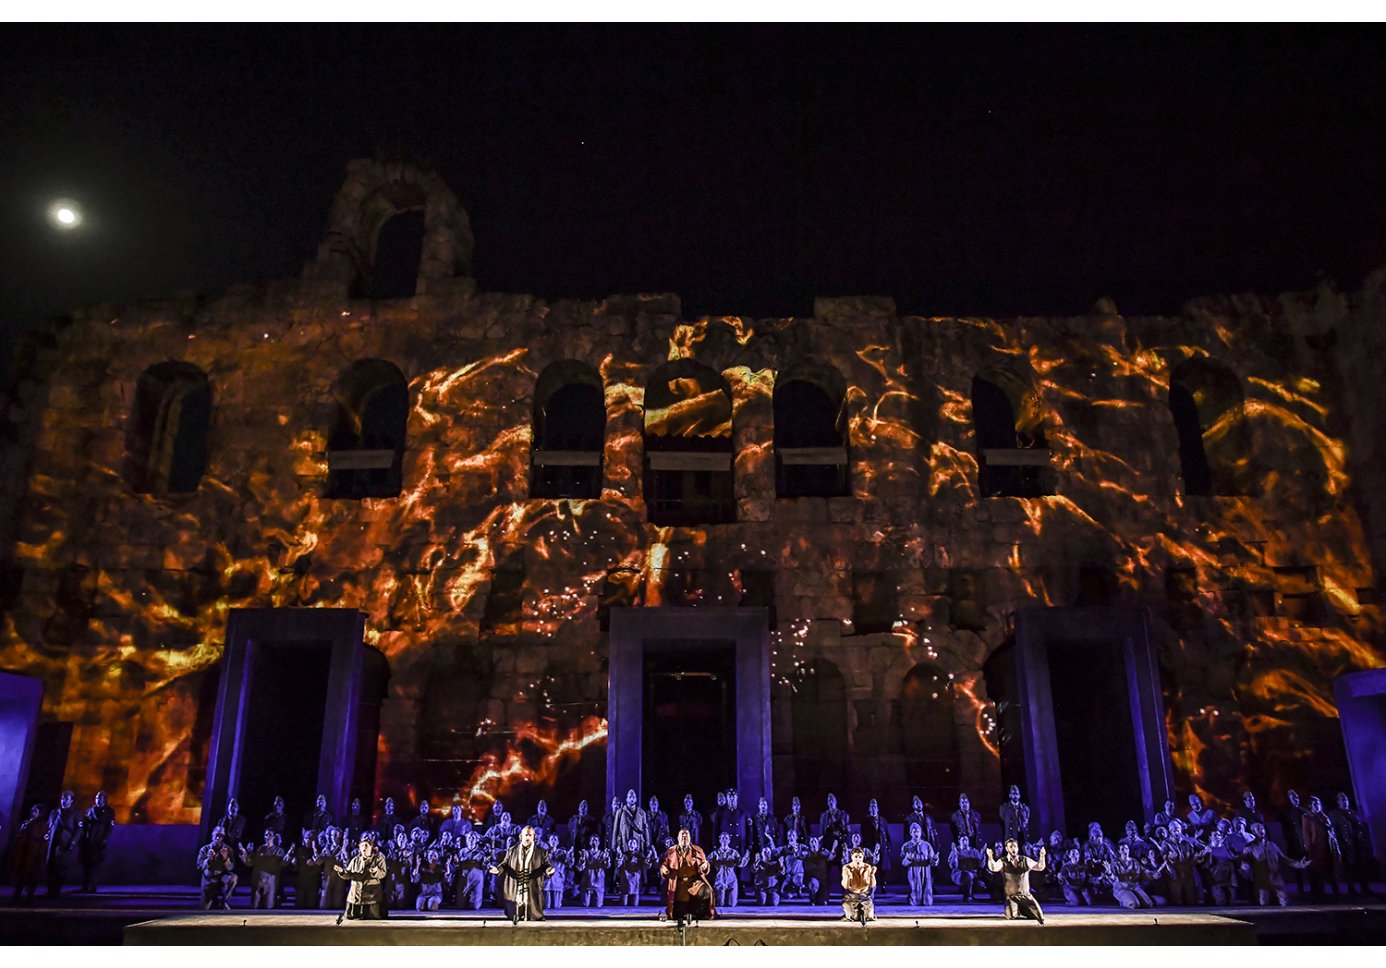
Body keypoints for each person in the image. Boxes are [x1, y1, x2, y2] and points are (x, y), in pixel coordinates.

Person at [490, 825, 554, 922]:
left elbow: (546, 865)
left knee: (533, 909)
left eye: (530, 835)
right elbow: (505, 864)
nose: (527, 837)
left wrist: (549, 870)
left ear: (534, 837)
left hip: (532, 883)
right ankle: (516, 915)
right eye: (525, 835)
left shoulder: (541, 851)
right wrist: (498, 870)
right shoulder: (512, 850)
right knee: (513, 910)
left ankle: (532, 916)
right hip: (516, 883)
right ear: (520, 836)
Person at [1244, 822, 1308, 907]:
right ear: (1253, 832)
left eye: (1262, 828)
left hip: (1276, 878)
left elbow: (1285, 860)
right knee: (1263, 903)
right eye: (1258, 829)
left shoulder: (1272, 845)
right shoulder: (1250, 848)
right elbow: (1243, 861)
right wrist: (1244, 867)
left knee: (1284, 901)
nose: (1261, 830)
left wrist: (1301, 864)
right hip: (1261, 880)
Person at [659, 828, 715, 921]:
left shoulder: (697, 850)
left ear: (690, 838)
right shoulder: (671, 851)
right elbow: (664, 865)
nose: (684, 838)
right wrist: (664, 869)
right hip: (678, 885)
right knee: (679, 912)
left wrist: (705, 866)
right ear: (678, 838)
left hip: (693, 883)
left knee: (706, 891)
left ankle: (699, 914)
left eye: (686, 836)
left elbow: (704, 864)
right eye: (682, 836)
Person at [987, 838, 1046, 924]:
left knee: (1039, 916)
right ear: (1007, 849)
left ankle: (1022, 909)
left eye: (1015, 846)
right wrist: (990, 857)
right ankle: (1016, 909)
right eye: (1011, 847)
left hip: (1026, 896)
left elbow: (1040, 867)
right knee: (1011, 916)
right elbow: (993, 868)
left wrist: (1042, 856)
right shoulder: (1003, 861)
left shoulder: (1025, 860)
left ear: (1018, 848)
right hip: (1012, 897)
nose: (1013, 848)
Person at [335, 836, 388, 921]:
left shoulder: (379, 860)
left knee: (371, 915)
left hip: (371, 893)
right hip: (356, 892)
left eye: (366, 845)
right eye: (362, 846)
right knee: (353, 914)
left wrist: (375, 871)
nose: (364, 847)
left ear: (371, 848)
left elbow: (383, 873)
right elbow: (349, 874)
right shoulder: (355, 860)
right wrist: (342, 871)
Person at [1328, 792, 1372, 896]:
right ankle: (1351, 890)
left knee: (1361, 867)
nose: (1345, 802)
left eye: (1346, 800)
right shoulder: (1335, 814)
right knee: (1349, 869)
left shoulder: (1352, 813)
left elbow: (1359, 826)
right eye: (1342, 800)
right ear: (1338, 802)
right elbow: (1334, 830)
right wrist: (1341, 844)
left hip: (1357, 844)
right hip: (1346, 846)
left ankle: (1364, 888)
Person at [1302, 795, 1342, 900]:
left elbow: (1332, 832)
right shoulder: (1307, 817)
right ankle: (1320, 895)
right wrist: (1309, 848)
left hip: (1328, 848)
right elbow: (1306, 834)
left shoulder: (1325, 817)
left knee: (1331, 872)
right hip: (1317, 849)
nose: (1317, 806)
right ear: (1311, 806)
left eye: (1318, 804)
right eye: (1315, 804)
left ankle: (1336, 894)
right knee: (1318, 872)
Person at [77, 790, 115, 892]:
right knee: (86, 865)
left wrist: (104, 839)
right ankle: (85, 886)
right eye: (97, 798)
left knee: (95, 865)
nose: (98, 800)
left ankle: (93, 886)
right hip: (88, 841)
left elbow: (109, 827)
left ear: (105, 799)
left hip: (99, 842)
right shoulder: (90, 810)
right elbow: (85, 825)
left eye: (101, 798)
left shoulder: (109, 812)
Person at [240, 829, 287, 909]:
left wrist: (289, 856)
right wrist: (245, 854)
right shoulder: (260, 849)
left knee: (268, 907)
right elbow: (250, 863)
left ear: (274, 837)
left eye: (270, 835)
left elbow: (283, 863)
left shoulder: (279, 850)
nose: (268, 837)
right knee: (255, 906)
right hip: (258, 881)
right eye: (266, 835)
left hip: (270, 882)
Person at [10, 805, 47, 905]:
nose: (33, 812)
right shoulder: (27, 822)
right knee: (21, 874)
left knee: (31, 875)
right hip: (24, 852)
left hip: (34, 852)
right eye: (33, 810)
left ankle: (29, 896)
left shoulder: (42, 824)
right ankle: (17, 894)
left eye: (36, 811)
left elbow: (40, 837)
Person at [46, 790, 78, 897]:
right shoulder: (55, 812)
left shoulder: (75, 813)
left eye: (66, 799)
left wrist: (73, 841)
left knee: (60, 866)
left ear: (71, 801)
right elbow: (49, 826)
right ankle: (50, 890)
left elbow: (79, 829)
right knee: (50, 865)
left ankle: (56, 890)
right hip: (52, 841)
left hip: (64, 842)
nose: (63, 801)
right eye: (62, 798)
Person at [197, 827, 238, 910]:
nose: (218, 838)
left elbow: (231, 868)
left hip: (222, 877)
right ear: (212, 836)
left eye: (220, 836)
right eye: (216, 836)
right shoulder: (204, 849)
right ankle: (210, 900)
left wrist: (225, 859)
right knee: (204, 909)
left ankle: (224, 901)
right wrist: (208, 860)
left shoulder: (228, 849)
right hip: (209, 879)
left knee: (234, 878)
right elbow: (199, 866)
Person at [900, 822, 938, 906]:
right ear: (911, 833)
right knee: (914, 890)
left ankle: (926, 900)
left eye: (918, 831)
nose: (916, 833)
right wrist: (908, 858)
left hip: (925, 871)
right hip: (913, 871)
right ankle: (913, 899)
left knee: (927, 896)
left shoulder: (927, 845)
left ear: (920, 833)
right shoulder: (906, 846)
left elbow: (933, 861)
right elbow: (903, 862)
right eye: (914, 831)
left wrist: (934, 859)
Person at [707, 831, 748, 908]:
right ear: (719, 840)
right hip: (720, 880)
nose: (724, 840)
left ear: (729, 840)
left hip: (731, 880)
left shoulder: (734, 853)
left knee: (732, 904)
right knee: (720, 904)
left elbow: (740, 864)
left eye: (726, 838)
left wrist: (745, 858)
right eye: (722, 838)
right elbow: (707, 863)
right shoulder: (715, 853)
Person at [1107, 842, 1154, 909]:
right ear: (1119, 851)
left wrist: (1144, 866)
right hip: (1121, 888)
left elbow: (1138, 875)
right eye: (1122, 849)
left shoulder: (1134, 861)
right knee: (1134, 905)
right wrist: (1109, 872)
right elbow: (1113, 879)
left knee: (1149, 904)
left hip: (1134, 887)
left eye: (1126, 849)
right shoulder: (1115, 863)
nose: (1125, 851)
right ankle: (1123, 901)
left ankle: (1134, 897)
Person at [1281, 789, 1308, 895]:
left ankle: (1314, 889)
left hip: (1306, 842)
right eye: (1293, 798)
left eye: (1297, 797)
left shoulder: (1304, 811)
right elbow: (1286, 831)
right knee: (1297, 869)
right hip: (1295, 844)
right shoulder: (1287, 813)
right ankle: (1301, 890)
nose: (1296, 800)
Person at [840, 846, 877, 922]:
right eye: (856, 857)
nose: (858, 859)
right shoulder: (846, 867)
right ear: (852, 857)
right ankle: (851, 912)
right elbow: (845, 886)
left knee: (869, 918)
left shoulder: (867, 867)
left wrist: (872, 875)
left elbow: (872, 885)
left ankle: (865, 910)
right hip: (851, 897)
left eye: (860, 857)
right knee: (854, 917)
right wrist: (848, 876)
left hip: (864, 896)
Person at [455, 830, 489, 910]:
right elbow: (458, 866)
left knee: (475, 906)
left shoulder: (481, 852)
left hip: (476, 879)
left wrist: (485, 863)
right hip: (464, 878)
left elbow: (484, 867)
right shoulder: (462, 851)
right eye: (469, 838)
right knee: (460, 905)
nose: (471, 839)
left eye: (473, 838)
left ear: (476, 840)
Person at [290, 828, 324, 908]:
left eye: (311, 838)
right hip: (301, 881)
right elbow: (295, 868)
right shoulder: (300, 850)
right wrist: (294, 864)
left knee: (311, 904)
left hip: (313, 882)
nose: (308, 840)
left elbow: (321, 865)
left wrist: (315, 858)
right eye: (306, 838)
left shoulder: (319, 850)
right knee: (299, 904)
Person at [862, 798, 892, 884]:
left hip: (882, 846)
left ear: (877, 808)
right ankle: (872, 885)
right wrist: (866, 847)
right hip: (870, 846)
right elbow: (864, 835)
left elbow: (886, 833)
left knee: (883, 867)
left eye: (875, 806)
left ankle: (883, 883)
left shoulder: (883, 820)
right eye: (871, 806)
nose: (873, 808)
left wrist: (889, 846)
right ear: (869, 809)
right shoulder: (865, 820)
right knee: (871, 866)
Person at [578, 834, 611, 908]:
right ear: (590, 842)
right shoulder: (586, 853)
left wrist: (607, 859)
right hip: (587, 882)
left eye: (596, 840)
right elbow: (580, 868)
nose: (594, 842)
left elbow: (607, 866)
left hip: (599, 882)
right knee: (585, 905)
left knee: (598, 905)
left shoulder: (603, 854)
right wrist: (582, 859)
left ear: (599, 842)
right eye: (592, 840)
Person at [949, 833, 985, 902]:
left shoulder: (974, 851)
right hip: (959, 874)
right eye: (963, 840)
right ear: (959, 841)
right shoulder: (956, 851)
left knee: (981, 886)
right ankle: (968, 896)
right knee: (968, 875)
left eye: (966, 840)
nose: (965, 842)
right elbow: (953, 866)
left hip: (973, 874)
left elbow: (981, 865)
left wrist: (982, 857)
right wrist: (955, 855)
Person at [618, 836, 650, 906]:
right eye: (630, 843)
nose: (632, 844)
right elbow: (618, 864)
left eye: (634, 843)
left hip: (636, 882)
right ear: (627, 844)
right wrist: (619, 857)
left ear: (636, 845)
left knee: (634, 905)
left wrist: (648, 858)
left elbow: (646, 865)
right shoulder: (624, 855)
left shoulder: (640, 855)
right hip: (625, 882)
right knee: (624, 905)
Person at [803, 835, 833, 905]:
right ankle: (812, 898)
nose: (813, 843)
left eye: (815, 841)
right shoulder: (806, 853)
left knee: (823, 902)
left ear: (818, 844)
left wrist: (833, 849)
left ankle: (821, 897)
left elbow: (831, 857)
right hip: (812, 880)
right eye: (812, 842)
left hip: (823, 880)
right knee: (813, 883)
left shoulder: (824, 852)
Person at [818, 793, 850, 859]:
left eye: (832, 800)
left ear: (836, 802)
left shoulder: (844, 815)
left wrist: (846, 845)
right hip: (827, 846)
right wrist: (822, 848)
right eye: (829, 800)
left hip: (841, 845)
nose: (831, 802)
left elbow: (848, 832)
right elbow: (821, 833)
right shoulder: (824, 816)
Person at [752, 841, 783, 906]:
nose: (766, 854)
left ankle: (771, 897)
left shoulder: (775, 863)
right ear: (761, 853)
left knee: (774, 903)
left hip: (773, 888)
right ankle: (763, 897)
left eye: (768, 852)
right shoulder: (759, 863)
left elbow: (782, 872)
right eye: (765, 852)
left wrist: (781, 865)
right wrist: (756, 863)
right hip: (762, 888)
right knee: (762, 902)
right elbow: (753, 870)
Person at [544, 834, 569, 910]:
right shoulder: (544, 853)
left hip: (558, 878)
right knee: (547, 905)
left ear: (558, 842)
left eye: (555, 839)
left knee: (556, 906)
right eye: (552, 839)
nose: (553, 841)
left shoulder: (563, 852)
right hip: (547, 880)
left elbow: (568, 862)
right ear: (548, 841)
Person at [781, 830, 808, 899]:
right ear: (787, 837)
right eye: (789, 835)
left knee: (798, 879)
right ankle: (791, 890)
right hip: (788, 875)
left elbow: (809, 851)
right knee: (786, 895)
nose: (791, 837)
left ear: (796, 837)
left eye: (793, 835)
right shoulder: (784, 848)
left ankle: (799, 888)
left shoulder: (801, 847)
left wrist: (802, 853)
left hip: (798, 874)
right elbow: (774, 851)